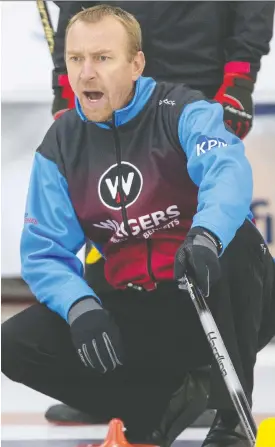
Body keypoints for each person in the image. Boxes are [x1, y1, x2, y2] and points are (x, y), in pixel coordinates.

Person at [2, 5, 275, 446]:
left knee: (238, 241)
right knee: (14, 342)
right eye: (76, 60)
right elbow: (44, 250)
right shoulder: (60, 144)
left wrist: (205, 236)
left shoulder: (184, 110)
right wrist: (80, 307)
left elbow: (227, 174)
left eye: (103, 59)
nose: (87, 73)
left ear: (136, 63)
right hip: (145, 309)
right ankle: (160, 404)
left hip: (209, 296)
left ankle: (229, 418)